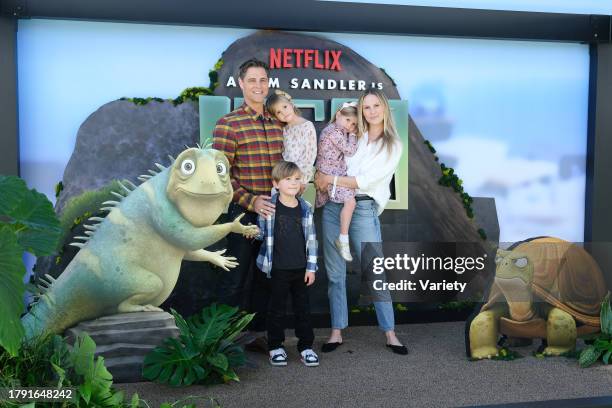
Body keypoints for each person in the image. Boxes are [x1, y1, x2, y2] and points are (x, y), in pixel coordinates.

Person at [315, 89, 407, 355]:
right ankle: (336, 331)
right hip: (334, 206)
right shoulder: (354, 135)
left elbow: (364, 181)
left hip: (363, 207)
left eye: (376, 105)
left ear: (385, 108)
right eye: (366, 107)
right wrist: (324, 176)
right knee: (335, 273)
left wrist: (327, 179)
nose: (371, 111)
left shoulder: (393, 145)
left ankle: (390, 333)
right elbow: (331, 160)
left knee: (375, 272)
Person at [212, 58, 283, 346]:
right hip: (242, 214)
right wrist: (250, 201)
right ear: (241, 84)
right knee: (235, 278)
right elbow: (219, 176)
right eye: (252, 80)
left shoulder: (279, 122)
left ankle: (260, 336)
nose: (258, 85)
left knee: (268, 277)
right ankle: (222, 342)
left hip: (276, 213)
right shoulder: (228, 124)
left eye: (263, 80)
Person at [255, 161, 319, 367]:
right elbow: (262, 233)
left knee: (303, 309)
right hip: (277, 269)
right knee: (277, 310)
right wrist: (252, 233)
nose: (293, 183)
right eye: (287, 179)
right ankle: (275, 347)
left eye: (297, 179)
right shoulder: (269, 207)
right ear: (276, 183)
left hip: (301, 269)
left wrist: (311, 267)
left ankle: (306, 347)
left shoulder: (305, 208)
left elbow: (312, 240)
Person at [315, 102, 359, 262]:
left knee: (347, 203)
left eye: (354, 124)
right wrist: (354, 135)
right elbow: (350, 150)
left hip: (332, 172)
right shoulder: (333, 132)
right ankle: (343, 238)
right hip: (330, 173)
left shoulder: (336, 130)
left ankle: (342, 238)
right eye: (348, 120)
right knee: (351, 202)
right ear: (338, 115)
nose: (350, 126)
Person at [265, 90, 317, 191]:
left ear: (291, 104)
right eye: (279, 112)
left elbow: (309, 156)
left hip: (298, 179)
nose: (284, 112)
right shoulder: (284, 129)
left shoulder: (306, 126)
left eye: (285, 107)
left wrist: (300, 180)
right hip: (283, 178)